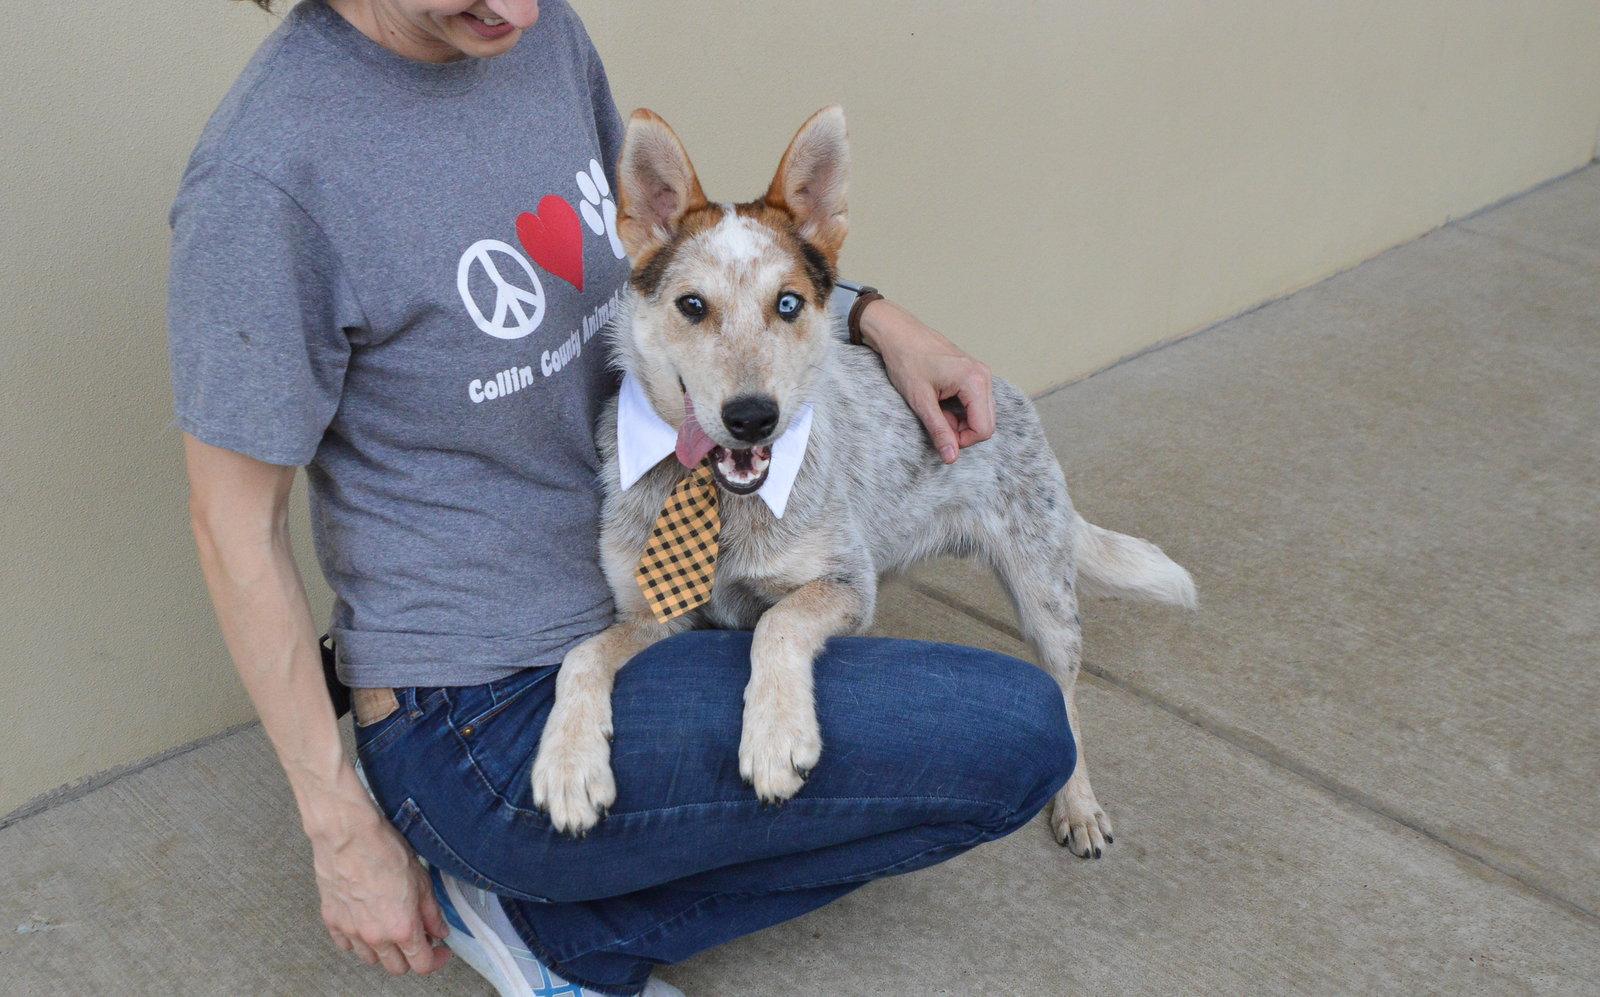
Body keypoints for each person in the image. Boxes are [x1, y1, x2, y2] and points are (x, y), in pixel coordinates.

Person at [171, 1, 1075, 993]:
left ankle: (572, 904)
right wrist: (339, 830)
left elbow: (659, 264)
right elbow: (232, 529)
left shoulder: (535, 36)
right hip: (482, 706)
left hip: (647, 593)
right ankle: (540, 923)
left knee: (984, 730)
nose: (519, 8)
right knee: (1015, 735)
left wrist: (871, 317)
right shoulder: (265, 179)